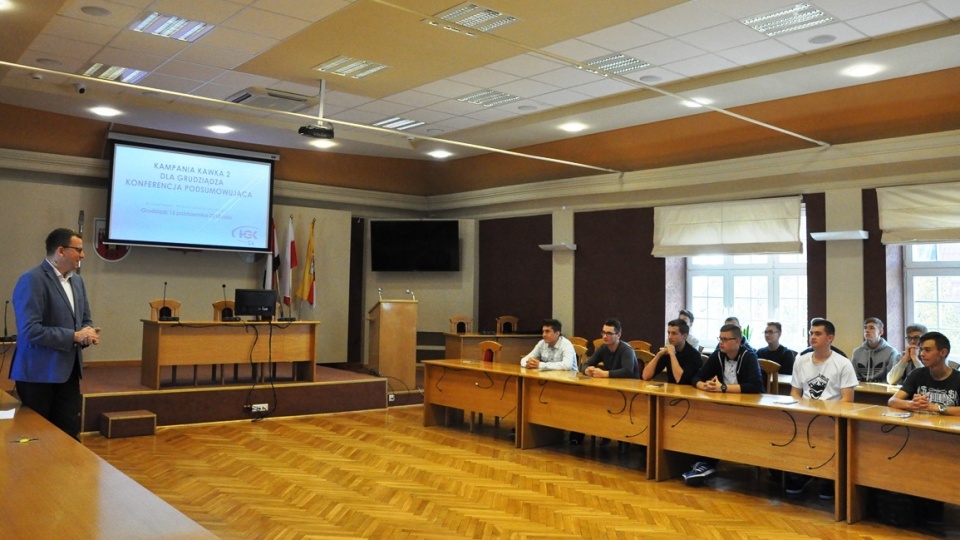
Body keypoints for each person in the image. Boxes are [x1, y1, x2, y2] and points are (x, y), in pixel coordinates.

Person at [10, 228, 101, 440]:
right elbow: (29, 330)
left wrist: (87, 333)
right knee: (37, 437)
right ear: (61, 251)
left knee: (69, 433)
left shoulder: (77, 281)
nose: (83, 255)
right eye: (78, 249)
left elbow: (84, 320)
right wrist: (74, 336)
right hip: (38, 374)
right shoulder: (31, 280)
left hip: (68, 371)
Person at [887, 331, 958, 524]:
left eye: (927, 350)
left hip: (950, 441)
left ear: (943, 352)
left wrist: (937, 408)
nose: (922, 354)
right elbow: (893, 401)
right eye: (921, 350)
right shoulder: (918, 374)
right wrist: (912, 404)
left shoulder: (957, 378)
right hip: (919, 437)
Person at [681, 323, 762, 486]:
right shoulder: (718, 355)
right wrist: (702, 385)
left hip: (748, 409)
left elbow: (756, 386)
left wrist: (723, 388)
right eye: (720, 338)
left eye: (725, 339)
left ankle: (706, 463)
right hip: (723, 407)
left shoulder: (749, 356)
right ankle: (704, 462)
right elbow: (697, 377)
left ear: (737, 341)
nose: (721, 342)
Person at [786, 318, 857, 500]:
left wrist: (827, 414)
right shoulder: (801, 361)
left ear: (830, 338)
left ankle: (829, 480)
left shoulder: (842, 363)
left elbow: (847, 400)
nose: (813, 337)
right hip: (805, 414)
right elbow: (795, 392)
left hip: (831, 417)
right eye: (811, 333)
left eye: (818, 334)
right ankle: (800, 474)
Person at [642, 318, 702, 385]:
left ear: (684, 336)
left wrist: (672, 354)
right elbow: (645, 376)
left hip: (688, 392)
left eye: (674, 333)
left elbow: (680, 380)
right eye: (669, 333)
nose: (669, 337)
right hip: (671, 391)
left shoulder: (694, 355)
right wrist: (658, 355)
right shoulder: (667, 352)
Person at [851, 317, 901, 383]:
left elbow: (892, 379)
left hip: (883, 391)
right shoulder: (857, 352)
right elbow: (853, 377)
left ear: (880, 332)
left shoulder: (891, 352)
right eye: (865, 328)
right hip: (861, 390)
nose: (867, 330)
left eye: (871, 328)